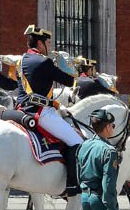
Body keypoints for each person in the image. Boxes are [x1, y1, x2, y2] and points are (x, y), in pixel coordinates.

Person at [16, 24, 82, 196]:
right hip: (41, 112)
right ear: (40, 44)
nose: (50, 47)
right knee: (77, 142)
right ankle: (72, 185)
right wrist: (68, 64)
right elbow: (69, 81)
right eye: (48, 43)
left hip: (22, 109)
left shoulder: (21, 60)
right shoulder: (44, 61)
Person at [77, 108, 121, 210]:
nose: (113, 128)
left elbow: (79, 174)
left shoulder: (84, 145)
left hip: (85, 198)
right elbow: (108, 184)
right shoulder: (109, 151)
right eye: (112, 125)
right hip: (100, 200)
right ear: (107, 126)